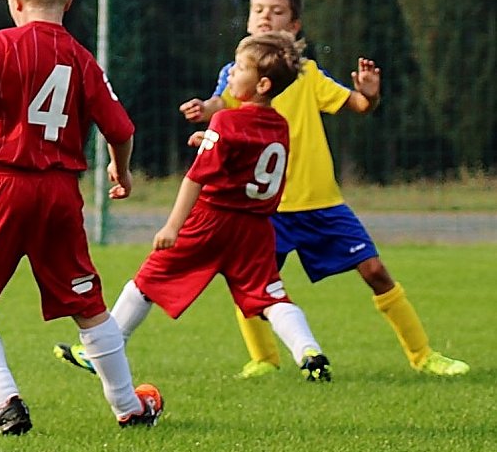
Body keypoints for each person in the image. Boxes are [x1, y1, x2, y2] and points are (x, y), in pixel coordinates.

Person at [178, 0, 469, 379]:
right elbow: (221, 104)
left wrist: (370, 94)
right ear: (247, 21)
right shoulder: (237, 71)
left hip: (321, 203)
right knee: (249, 284)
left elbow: (359, 105)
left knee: (375, 272)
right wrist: (204, 111)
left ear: (294, 26)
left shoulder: (307, 75)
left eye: (276, 11)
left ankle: (424, 356)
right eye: (258, 10)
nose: (266, 17)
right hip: (266, 210)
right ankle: (264, 359)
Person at [0, 0, 163, 438]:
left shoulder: (1, 44)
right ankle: (129, 407)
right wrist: (120, 171)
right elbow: (122, 129)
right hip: (60, 193)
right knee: (88, 305)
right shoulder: (81, 59)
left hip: (2, 186)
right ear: (70, 1)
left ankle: (4, 401)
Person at [57, 31, 333, 382]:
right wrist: (212, 142)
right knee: (269, 296)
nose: (231, 72)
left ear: (262, 84)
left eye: (240, 68)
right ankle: (308, 350)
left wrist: (172, 226)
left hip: (211, 221)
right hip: (255, 228)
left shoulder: (226, 120)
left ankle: (103, 351)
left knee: (146, 281)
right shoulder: (279, 124)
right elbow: (250, 156)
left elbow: (195, 178)